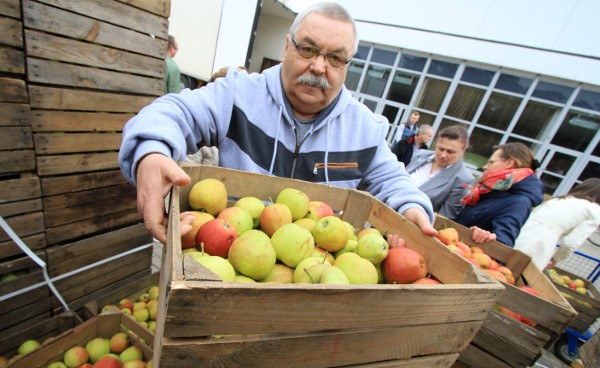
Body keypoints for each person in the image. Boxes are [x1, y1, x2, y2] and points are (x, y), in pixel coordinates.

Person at [118, 2, 436, 244]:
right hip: (225, 255)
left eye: (336, 58)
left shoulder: (364, 129)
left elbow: (394, 181)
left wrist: (412, 210)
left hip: (310, 280)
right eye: (308, 49)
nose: (319, 66)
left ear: (347, 65)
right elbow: (175, 111)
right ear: (287, 47)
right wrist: (151, 151)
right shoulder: (239, 95)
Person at [455, 142, 544, 246]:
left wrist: (488, 236)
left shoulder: (519, 201)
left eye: (491, 162)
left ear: (510, 163)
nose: (485, 167)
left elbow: (503, 242)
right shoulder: (493, 189)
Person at [514, 178, 600, 271]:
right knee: (523, 277)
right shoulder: (597, 210)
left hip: (519, 234)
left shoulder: (561, 199)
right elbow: (571, 242)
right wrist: (556, 258)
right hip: (541, 242)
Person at [406, 125, 474, 220]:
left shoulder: (462, 179)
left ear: (462, 151)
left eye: (450, 152)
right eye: (440, 149)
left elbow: (443, 219)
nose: (443, 155)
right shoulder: (420, 156)